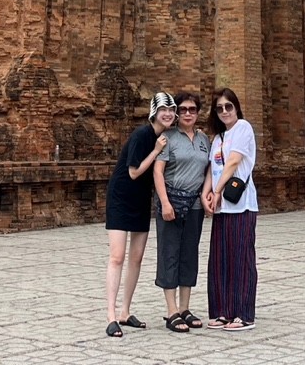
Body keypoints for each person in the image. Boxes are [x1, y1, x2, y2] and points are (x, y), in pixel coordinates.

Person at [104, 91, 177, 338]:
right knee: (117, 256)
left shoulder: (165, 137)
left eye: (171, 110)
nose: (168, 114)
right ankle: (111, 316)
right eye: (163, 110)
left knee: (136, 257)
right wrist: (156, 150)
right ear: (154, 112)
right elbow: (134, 172)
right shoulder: (143, 135)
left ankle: (125, 311)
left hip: (141, 200)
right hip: (121, 197)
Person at [153, 91, 212, 332]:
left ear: (198, 113)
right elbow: (158, 171)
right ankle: (171, 311)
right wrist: (165, 203)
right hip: (172, 202)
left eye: (192, 110)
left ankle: (185, 308)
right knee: (170, 254)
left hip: (194, 205)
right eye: (183, 109)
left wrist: (206, 194)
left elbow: (209, 168)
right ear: (177, 113)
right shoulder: (168, 137)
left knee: (189, 254)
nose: (188, 113)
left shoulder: (203, 139)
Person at [203, 87, 257, 330]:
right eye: (220, 108)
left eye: (229, 106)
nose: (225, 111)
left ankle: (244, 314)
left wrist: (217, 190)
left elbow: (234, 161)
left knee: (241, 258)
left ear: (236, 108)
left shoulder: (243, 128)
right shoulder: (217, 138)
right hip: (222, 207)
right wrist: (206, 192)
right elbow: (211, 169)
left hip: (241, 204)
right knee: (221, 259)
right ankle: (223, 311)